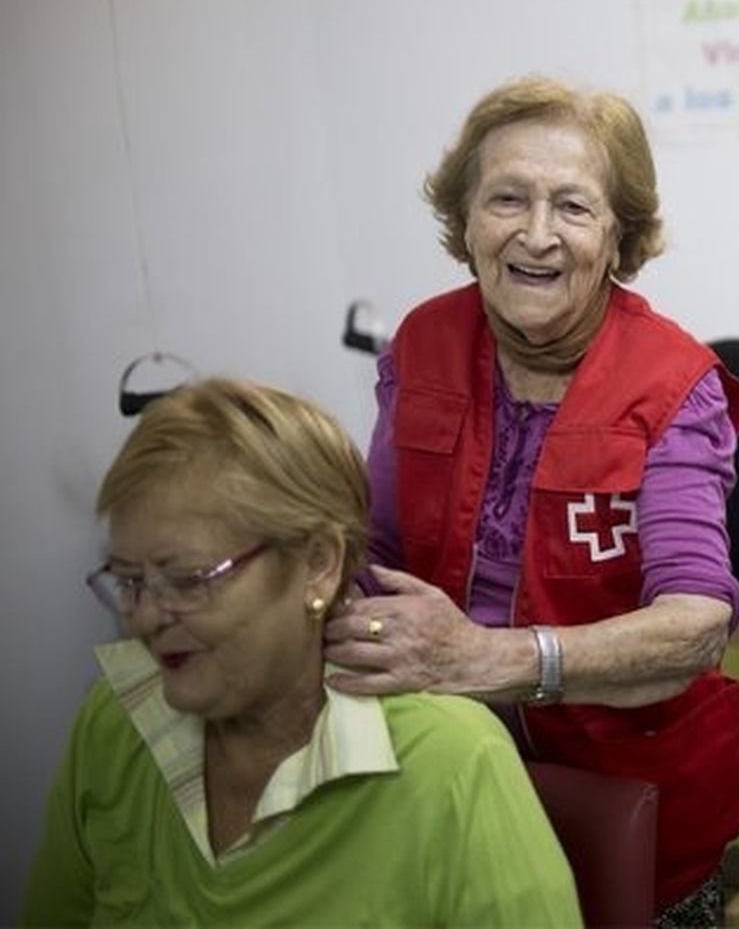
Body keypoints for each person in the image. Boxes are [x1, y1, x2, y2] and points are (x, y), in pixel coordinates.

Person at [323, 75, 739, 925]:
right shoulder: (422, 343)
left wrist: (494, 660)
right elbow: (373, 549)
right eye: (508, 199)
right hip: (443, 775)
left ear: (618, 235)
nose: (537, 234)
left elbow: (698, 621)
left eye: (574, 207)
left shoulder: (672, 382)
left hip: (630, 793)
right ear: (467, 220)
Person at [23, 379, 581, 926]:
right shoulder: (117, 720)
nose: (143, 616)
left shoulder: (451, 764)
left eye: (188, 579)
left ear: (319, 565)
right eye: (130, 582)